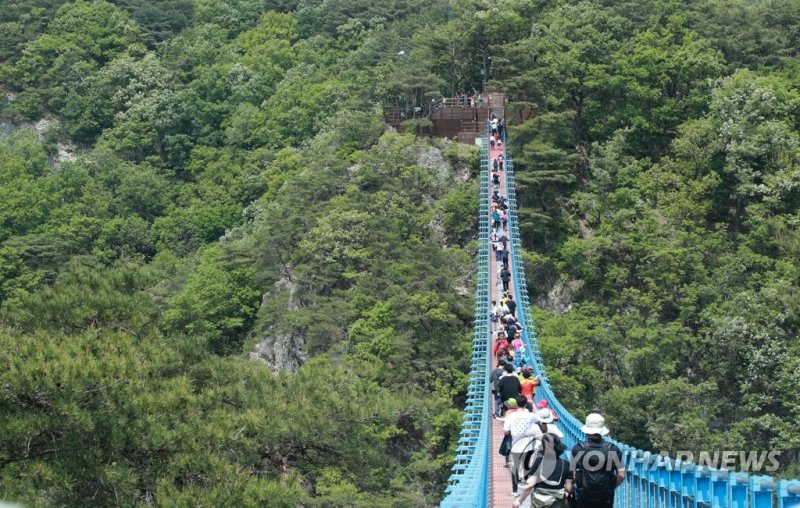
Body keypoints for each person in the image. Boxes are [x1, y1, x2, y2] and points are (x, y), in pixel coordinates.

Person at [571, 414, 625, 508]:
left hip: (583, 496)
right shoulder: (613, 449)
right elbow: (621, 475)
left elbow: (573, 474)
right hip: (606, 497)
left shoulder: (578, 448)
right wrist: (612, 486)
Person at [514, 434, 572, 508]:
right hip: (558, 502)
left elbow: (530, 485)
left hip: (539, 502)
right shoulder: (566, 464)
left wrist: (519, 501)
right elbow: (569, 488)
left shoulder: (538, 462)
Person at [503, 395, 533, 496]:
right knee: (526, 467)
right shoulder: (531, 416)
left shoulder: (511, 416)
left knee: (514, 467)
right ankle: (527, 489)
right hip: (528, 445)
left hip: (515, 444)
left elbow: (506, 431)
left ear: (516, 404)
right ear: (526, 404)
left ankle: (515, 491)